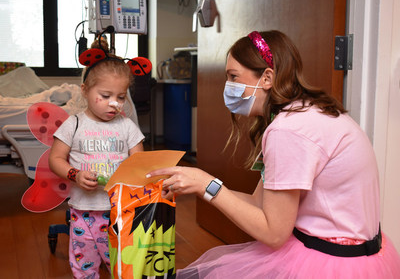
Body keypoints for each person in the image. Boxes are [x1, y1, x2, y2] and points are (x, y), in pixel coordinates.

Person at [146, 30, 400, 278]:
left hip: (334, 263)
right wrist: (197, 185)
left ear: (267, 78)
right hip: (361, 253)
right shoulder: (306, 113)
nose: (228, 87)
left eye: (234, 77)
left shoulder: (288, 131)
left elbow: (273, 234)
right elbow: (260, 204)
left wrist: (206, 185)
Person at [49, 51, 145, 278]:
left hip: (120, 212)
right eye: (105, 95)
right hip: (82, 211)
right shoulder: (73, 124)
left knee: (121, 265)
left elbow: (139, 165)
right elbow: (55, 160)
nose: (114, 104)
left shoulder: (127, 127)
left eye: (121, 97)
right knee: (84, 267)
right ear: (85, 90)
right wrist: (75, 174)